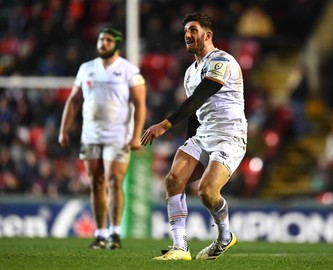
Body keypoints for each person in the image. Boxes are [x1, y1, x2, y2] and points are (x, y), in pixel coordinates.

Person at [141, 11, 247, 260]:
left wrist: (164, 125)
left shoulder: (222, 61)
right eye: (186, 31)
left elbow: (202, 95)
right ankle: (180, 247)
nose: (187, 35)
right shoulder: (190, 72)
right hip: (204, 134)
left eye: (193, 30)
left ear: (208, 35)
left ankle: (224, 237)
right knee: (173, 179)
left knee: (207, 191)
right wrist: (187, 143)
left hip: (229, 135)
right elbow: (195, 112)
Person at [58, 27, 146, 249]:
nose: (102, 43)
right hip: (91, 135)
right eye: (100, 39)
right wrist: (63, 130)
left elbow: (140, 104)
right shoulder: (86, 68)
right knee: (96, 183)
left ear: (116, 43)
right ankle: (100, 234)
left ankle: (115, 233)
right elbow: (74, 101)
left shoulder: (129, 70)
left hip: (118, 136)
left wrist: (136, 136)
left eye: (107, 40)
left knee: (114, 181)